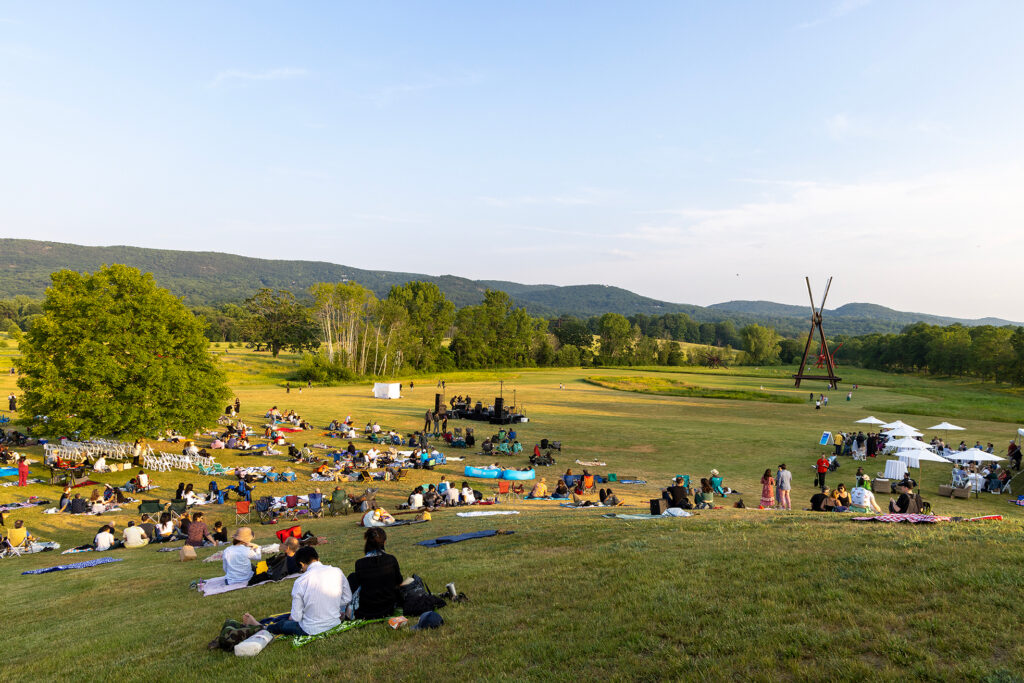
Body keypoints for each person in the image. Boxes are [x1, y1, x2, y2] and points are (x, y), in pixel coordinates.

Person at [347, 527, 402, 619]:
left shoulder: (360, 564)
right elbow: (399, 582)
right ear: (384, 542)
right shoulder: (391, 560)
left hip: (367, 610)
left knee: (352, 577)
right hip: (389, 607)